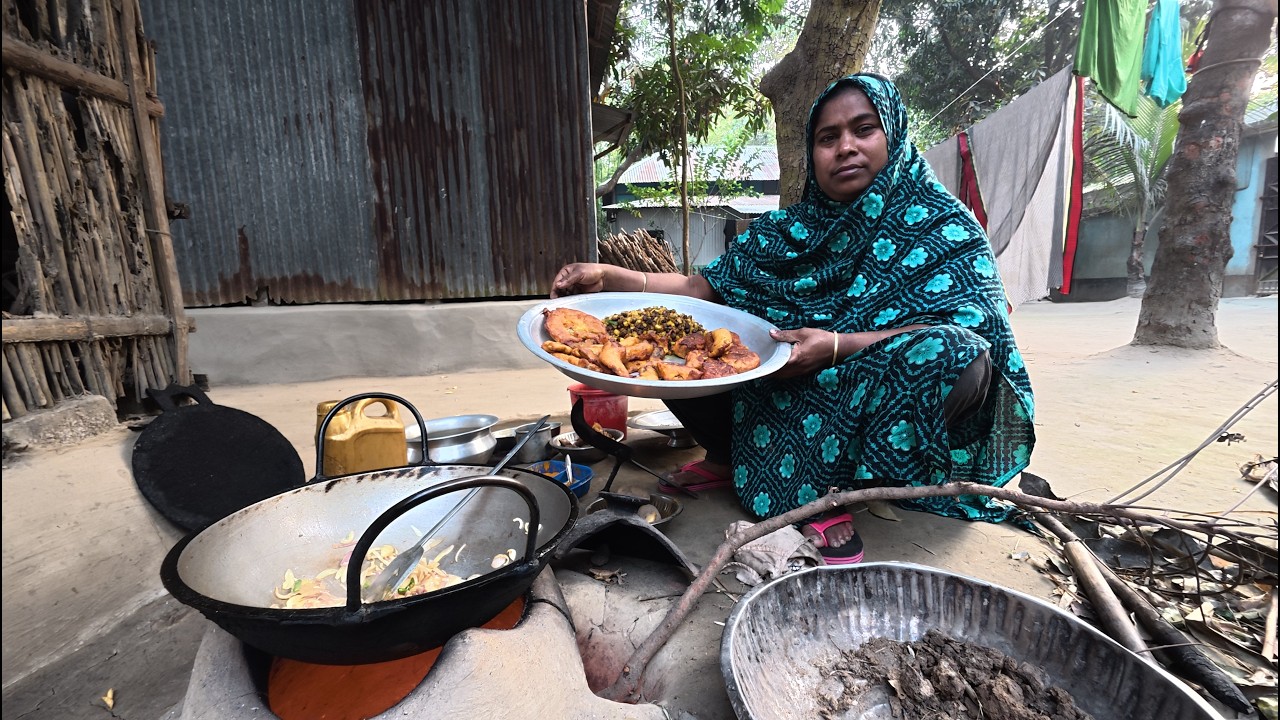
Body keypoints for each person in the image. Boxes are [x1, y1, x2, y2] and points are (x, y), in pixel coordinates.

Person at [551, 73, 1035, 564]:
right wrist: (610, 276)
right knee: (676, 337)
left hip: (865, 388)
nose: (845, 147)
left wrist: (837, 346)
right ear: (812, 152)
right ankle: (725, 455)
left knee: (959, 355)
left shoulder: (942, 224)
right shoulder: (782, 233)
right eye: (828, 138)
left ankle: (844, 484)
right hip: (770, 394)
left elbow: (975, 332)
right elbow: (699, 290)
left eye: (864, 129)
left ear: (894, 133)